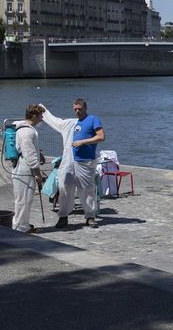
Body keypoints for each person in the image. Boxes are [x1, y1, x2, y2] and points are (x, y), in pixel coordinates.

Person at [40, 98, 105, 228]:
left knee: (87, 189)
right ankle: (63, 216)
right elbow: (55, 121)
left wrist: (83, 142)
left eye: (79, 109)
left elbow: (101, 136)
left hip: (85, 161)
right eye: (75, 109)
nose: (77, 112)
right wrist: (42, 110)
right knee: (64, 188)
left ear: (85, 107)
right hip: (68, 161)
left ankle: (90, 216)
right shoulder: (69, 124)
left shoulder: (93, 119)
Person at [11, 104, 45, 234]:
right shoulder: (28, 131)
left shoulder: (23, 129)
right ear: (35, 115)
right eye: (41, 116)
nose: (42, 118)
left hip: (22, 167)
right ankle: (19, 227)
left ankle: (23, 224)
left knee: (25, 198)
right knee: (23, 199)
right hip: (24, 170)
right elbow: (29, 154)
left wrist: (39, 154)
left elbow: (29, 149)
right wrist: (37, 173)